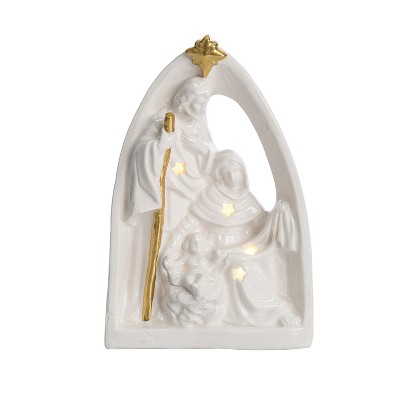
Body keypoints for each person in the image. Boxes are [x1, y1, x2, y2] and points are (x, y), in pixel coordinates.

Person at [164, 150, 301, 327]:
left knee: (239, 266)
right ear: (219, 174)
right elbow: (187, 224)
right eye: (227, 171)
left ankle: (276, 311)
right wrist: (171, 249)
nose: (232, 175)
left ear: (243, 173)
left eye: (235, 170)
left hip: (241, 251)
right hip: (210, 255)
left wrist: (278, 215)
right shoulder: (209, 197)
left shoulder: (248, 201)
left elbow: (263, 227)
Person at [160, 232, 226, 326]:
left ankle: (198, 289)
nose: (197, 245)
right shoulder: (186, 256)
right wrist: (170, 264)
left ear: (204, 244)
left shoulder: (205, 256)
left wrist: (219, 256)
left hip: (203, 275)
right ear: (188, 245)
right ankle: (194, 288)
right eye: (194, 243)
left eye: (199, 242)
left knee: (203, 278)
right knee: (187, 279)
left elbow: (213, 262)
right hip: (190, 274)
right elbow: (177, 264)